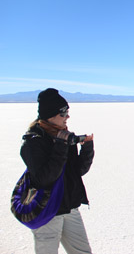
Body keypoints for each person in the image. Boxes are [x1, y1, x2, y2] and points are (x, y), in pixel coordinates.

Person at [20, 88, 94, 254]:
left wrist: (87, 149)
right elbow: (45, 178)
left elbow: (78, 171)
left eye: (67, 112)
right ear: (50, 115)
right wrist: (61, 145)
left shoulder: (64, 136)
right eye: (63, 113)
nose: (67, 116)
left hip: (70, 209)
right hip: (47, 211)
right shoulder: (33, 142)